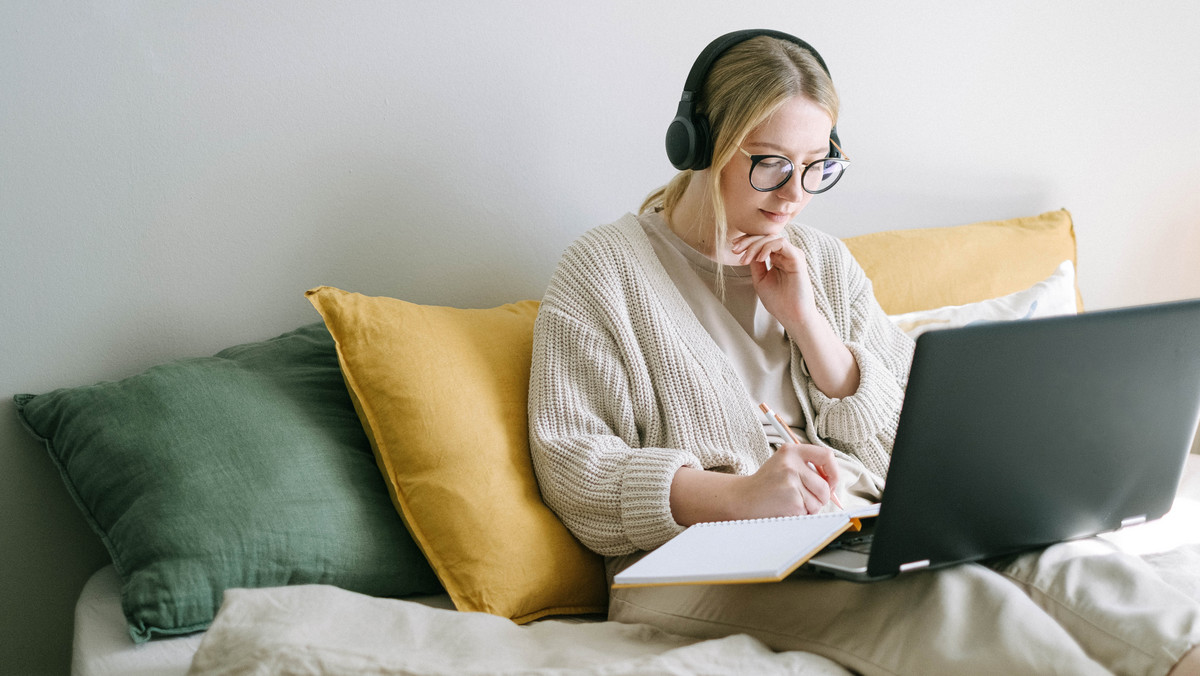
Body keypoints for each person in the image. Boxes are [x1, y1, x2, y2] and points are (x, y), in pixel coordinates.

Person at [527, 29, 1200, 676]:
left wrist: (811, 326)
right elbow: (576, 470)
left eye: (816, 168)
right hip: (691, 565)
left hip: (856, 530)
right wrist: (740, 496)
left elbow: (913, 439)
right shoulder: (603, 270)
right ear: (700, 146)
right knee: (958, 605)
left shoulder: (820, 259)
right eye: (770, 164)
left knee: (1069, 564)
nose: (795, 194)